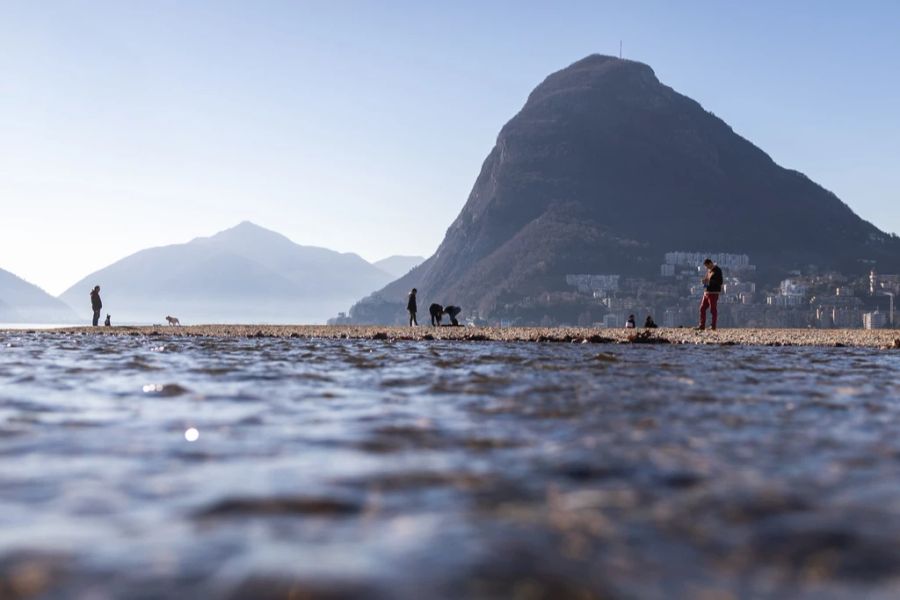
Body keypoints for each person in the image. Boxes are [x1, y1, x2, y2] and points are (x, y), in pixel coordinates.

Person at [697, 258, 723, 330]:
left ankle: (713, 326)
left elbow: (719, 282)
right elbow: (707, 281)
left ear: (710, 263)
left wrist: (709, 282)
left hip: (713, 293)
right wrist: (704, 282)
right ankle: (702, 325)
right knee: (702, 308)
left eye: (707, 266)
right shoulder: (709, 271)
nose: (707, 268)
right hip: (706, 292)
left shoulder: (717, 270)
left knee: (713, 309)